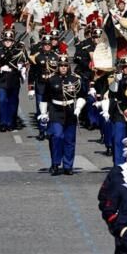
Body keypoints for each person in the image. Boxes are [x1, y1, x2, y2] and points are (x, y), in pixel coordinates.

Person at [39, 48, 86, 176]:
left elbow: (82, 95)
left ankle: (68, 166)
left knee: (70, 140)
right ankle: (55, 163)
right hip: (56, 111)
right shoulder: (51, 79)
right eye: (61, 66)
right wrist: (43, 113)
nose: (64, 68)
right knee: (57, 136)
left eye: (66, 66)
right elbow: (45, 97)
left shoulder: (75, 79)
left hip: (71, 111)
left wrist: (78, 108)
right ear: (58, 67)